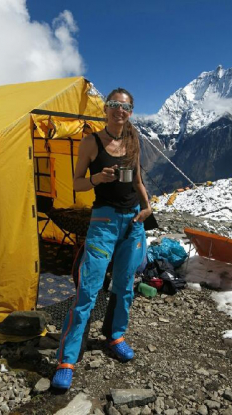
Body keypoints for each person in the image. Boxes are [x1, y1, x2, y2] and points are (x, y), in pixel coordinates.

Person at [52, 88, 152, 389]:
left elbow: (136, 179)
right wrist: (98, 178)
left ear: (130, 112)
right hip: (104, 222)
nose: (119, 110)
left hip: (133, 221)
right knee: (88, 289)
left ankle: (116, 335)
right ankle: (67, 360)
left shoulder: (133, 140)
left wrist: (148, 207)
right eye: (113, 105)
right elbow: (77, 182)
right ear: (105, 109)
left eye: (125, 107)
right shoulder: (91, 142)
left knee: (125, 286)